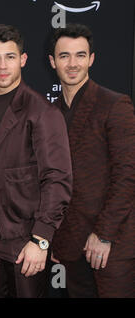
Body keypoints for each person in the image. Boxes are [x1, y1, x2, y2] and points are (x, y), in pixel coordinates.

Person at [0, 24, 72, 298]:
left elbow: (58, 178)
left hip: (25, 241)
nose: (2, 65)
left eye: (10, 56)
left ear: (23, 60)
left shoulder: (43, 112)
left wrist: (41, 240)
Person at [49, 23, 135, 298]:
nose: (72, 64)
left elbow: (128, 175)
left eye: (80, 55)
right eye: (64, 56)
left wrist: (104, 234)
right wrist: (52, 240)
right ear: (52, 61)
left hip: (112, 244)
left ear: (92, 59)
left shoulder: (115, 104)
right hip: (71, 246)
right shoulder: (49, 113)